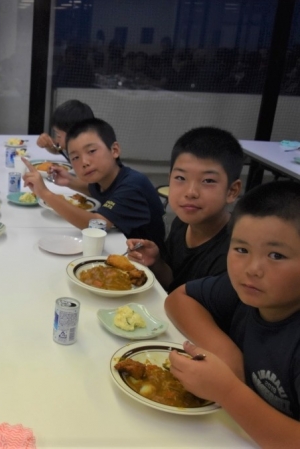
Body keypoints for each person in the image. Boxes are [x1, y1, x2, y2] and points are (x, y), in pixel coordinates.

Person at [164, 181, 300, 447]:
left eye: (276, 255)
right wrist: (226, 353)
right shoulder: (247, 290)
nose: (252, 268)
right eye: (241, 250)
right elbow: (179, 299)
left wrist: (226, 391)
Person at [126, 127, 243, 292]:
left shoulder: (234, 252)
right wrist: (156, 262)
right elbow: (172, 282)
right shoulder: (182, 222)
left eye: (208, 181)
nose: (191, 192)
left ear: (232, 191)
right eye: (180, 178)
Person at [23, 118, 166, 253]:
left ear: (114, 150)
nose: (84, 162)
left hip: (148, 263)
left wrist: (45, 194)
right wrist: (69, 181)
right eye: (75, 157)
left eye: (91, 151)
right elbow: (95, 191)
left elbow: (96, 225)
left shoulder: (132, 185)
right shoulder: (106, 179)